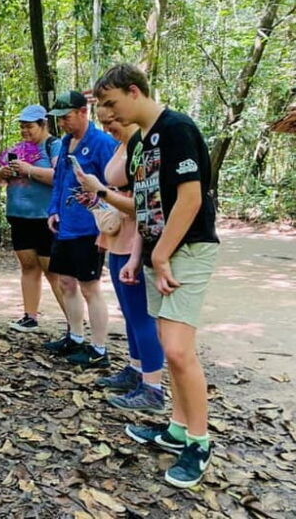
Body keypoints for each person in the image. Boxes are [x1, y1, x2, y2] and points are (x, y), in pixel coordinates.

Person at [93, 63, 220, 488]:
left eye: (111, 104)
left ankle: (199, 443)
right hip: (156, 253)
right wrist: (138, 254)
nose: (109, 115)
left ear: (135, 91)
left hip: (187, 249)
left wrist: (162, 253)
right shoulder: (143, 143)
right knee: (170, 347)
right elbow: (147, 207)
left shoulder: (177, 128)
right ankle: (178, 428)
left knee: (180, 351)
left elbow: (189, 199)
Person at [75, 106, 165, 414]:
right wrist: (98, 196)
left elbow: (145, 203)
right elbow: (114, 190)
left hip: (133, 237)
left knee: (141, 314)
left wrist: (102, 192)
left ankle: (153, 387)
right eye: (105, 120)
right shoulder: (121, 146)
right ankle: (136, 368)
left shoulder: (142, 146)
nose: (109, 124)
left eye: (114, 118)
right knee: (128, 311)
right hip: (116, 234)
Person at [44, 91, 117, 368]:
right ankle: (75, 337)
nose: (62, 122)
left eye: (66, 117)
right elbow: (60, 178)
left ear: (83, 112)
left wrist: (103, 221)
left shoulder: (102, 143)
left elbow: (113, 187)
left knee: (90, 288)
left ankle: (99, 349)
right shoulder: (65, 142)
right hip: (65, 226)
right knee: (65, 282)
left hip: (89, 227)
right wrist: (53, 209)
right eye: (59, 118)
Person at [0, 105, 66, 332]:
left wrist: (29, 169)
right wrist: (2, 173)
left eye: (29, 126)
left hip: (45, 217)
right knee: (28, 266)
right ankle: (29, 316)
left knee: (52, 270)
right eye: (22, 126)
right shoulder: (18, 149)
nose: (25, 131)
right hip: (19, 215)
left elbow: (60, 177)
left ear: (43, 124)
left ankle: (74, 324)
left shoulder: (54, 146)